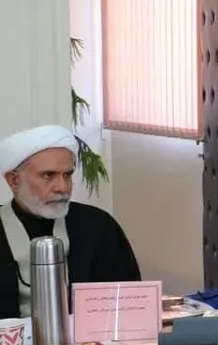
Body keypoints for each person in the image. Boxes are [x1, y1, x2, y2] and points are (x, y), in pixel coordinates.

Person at [0, 125, 141, 319]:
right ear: (13, 181)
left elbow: (128, 303)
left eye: (67, 175)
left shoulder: (98, 226)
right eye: (48, 176)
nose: (63, 187)